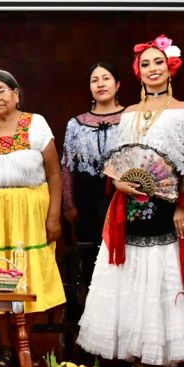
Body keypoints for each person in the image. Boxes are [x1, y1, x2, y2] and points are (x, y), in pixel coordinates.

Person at [77, 35, 184, 367]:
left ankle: (164, 355)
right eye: (145, 64)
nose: (152, 69)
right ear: (137, 71)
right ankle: (132, 353)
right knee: (129, 272)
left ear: (170, 67)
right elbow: (118, 163)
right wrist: (120, 183)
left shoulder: (183, 112)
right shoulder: (130, 113)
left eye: (158, 62)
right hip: (129, 204)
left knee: (162, 272)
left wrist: (182, 204)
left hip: (167, 204)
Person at [0, 70, 64, 367]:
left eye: (1, 91)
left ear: (16, 94)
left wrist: (54, 216)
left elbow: (54, 174)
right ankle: (6, 345)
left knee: (28, 273)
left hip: (30, 209)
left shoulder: (35, 123)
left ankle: (27, 342)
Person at [61, 62, 124, 245]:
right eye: (94, 80)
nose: (100, 84)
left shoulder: (130, 118)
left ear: (117, 84)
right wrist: (69, 205)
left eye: (106, 78)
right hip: (86, 198)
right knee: (90, 254)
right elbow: (66, 167)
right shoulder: (75, 124)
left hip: (120, 194)